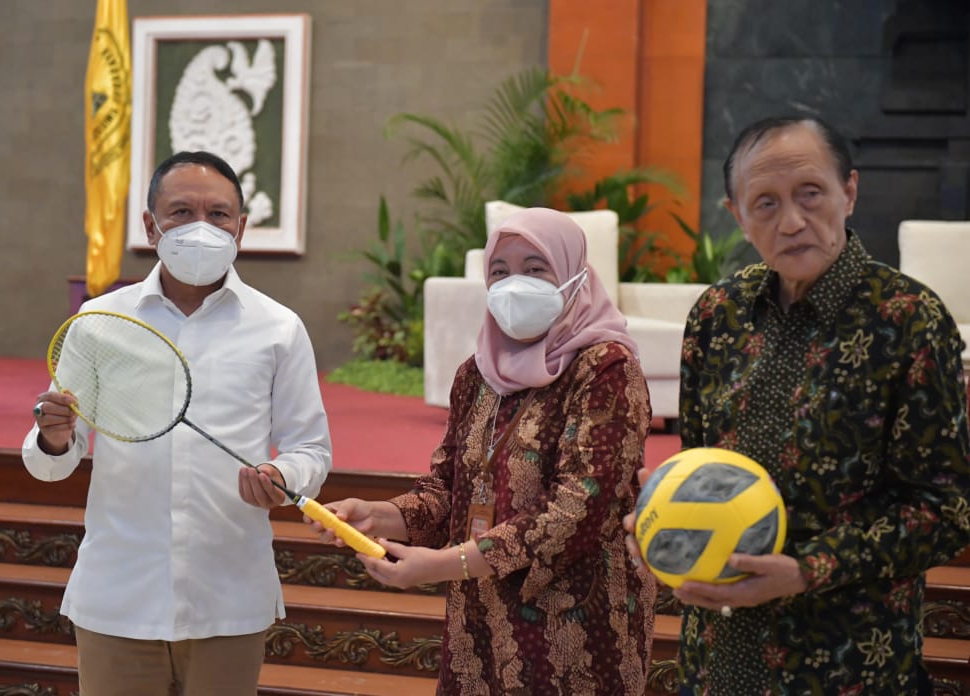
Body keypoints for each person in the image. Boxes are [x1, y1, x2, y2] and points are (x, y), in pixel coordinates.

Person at [625, 115, 970, 694]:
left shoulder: (909, 320)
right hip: (718, 663)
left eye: (811, 194)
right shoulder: (716, 317)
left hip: (847, 665)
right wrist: (664, 519)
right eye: (764, 203)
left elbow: (945, 512)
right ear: (735, 215)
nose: (791, 221)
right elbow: (702, 471)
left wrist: (805, 570)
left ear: (849, 192)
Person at [310, 207, 658, 694]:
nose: (515, 284)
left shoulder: (605, 368)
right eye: (500, 272)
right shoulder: (477, 374)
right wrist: (380, 515)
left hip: (575, 621)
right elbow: (447, 486)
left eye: (536, 269)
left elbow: (579, 509)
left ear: (575, 276)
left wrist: (444, 564)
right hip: (480, 620)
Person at [23, 150, 332, 696]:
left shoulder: (279, 329)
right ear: (151, 224)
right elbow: (53, 466)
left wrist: (283, 479)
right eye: (181, 212)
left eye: (218, 214)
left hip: (228, 597)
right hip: (119, 596)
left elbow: (310, 447)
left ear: (241, 227)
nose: (200, 227)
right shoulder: (98, 322)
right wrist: (54, 438)